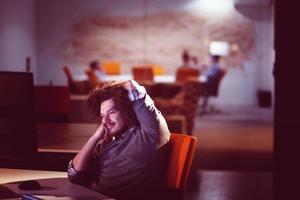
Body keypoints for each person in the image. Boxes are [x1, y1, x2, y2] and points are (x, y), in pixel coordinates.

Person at [67, 80, 171, 199]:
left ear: (126, 110)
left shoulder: (149, 133)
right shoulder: (107, 143)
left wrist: (113, 91)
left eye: (111, 112)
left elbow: (132, 86)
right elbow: (74, 175)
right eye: (102, 116)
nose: (105, 120)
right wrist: (95, 137)